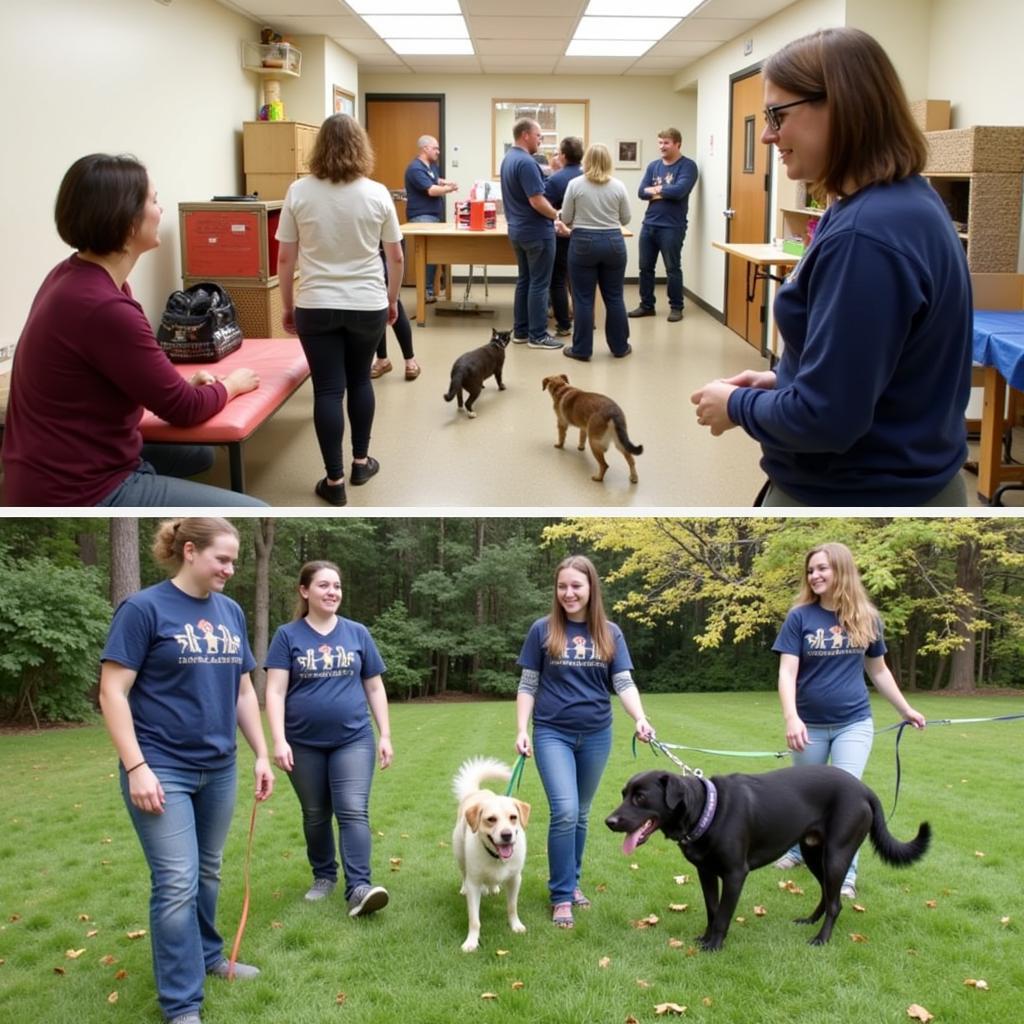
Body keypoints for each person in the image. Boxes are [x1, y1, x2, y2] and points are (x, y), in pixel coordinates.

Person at [690, 28, 972, 507]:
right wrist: (786, 382)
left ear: (840, 106)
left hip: (861, 495)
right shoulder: (905, 202)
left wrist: (737, 405)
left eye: (777, 114)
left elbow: (828, 419)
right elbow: (883, 369)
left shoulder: (867, 236)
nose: (766, 134)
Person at [1, 154, 266, 507]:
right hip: (77, 489)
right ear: (127, 220)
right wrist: (231, 385)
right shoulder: (104, 307)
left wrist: (177, 387)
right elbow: (184, 410)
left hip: (54, 463)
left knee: (200, 455)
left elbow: (123, 375)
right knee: (256, 509)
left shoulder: (72, 275)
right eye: (153, 201)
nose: (160, 211)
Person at [99, 518, 274, 1024]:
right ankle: (181, 1005)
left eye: (236, 560)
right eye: (223, 559)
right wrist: (136, 766)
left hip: (218, 768)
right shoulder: (143, 609)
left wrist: (260, 753)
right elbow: (113, 692)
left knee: (209, 870)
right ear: (190, 551)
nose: (230, 569)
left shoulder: (231, 612)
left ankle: (210, 957)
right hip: (161, 767)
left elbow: (244, 690)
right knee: (176, 880)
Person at [772, 541, 926, 899]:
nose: (815, 575)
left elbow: (879, 670)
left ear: (841, 570)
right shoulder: (800, 617)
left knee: (845, 799)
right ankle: (797, 850)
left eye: (822, 568)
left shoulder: (867, 618)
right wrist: (792, 718)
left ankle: (846, 876)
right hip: (807, 725)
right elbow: (786, 673)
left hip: (853, 722)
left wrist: (906, 709)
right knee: (802, 797)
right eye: (811, 570)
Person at [514, 555, 655, 929]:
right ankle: (561, 896)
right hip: (552, 732)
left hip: (596, 734)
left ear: (591, 588)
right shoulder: (542, 630)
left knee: (580, 812)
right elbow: (528, 684)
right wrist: (521, 729)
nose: (568, 593)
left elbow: (622, 682)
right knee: (563, 809)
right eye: (562, 586)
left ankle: (572, 883)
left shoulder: (610, 633)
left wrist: (639, 717)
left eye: (576, 586)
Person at [277, 113, 403, 507]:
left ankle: (334, 481)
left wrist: (287, 307)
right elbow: (395, 257)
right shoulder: (378, 193)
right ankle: (361, 463)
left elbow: (284, 259)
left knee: (328, 390)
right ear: (361, 147)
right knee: (360, 381)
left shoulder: (298, 191)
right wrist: (392, 299)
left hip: (316, 304)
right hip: (367, 303)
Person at [265, 560, 393, 918]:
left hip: (353, 738)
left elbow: (373, 685)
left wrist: (385, 734)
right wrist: (279, 740)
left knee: (353, 809)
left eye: (336, 586)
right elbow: (274, 692)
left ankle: (359, 887)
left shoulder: (357, 633)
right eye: (323, 585)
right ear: (305, 591)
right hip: (302, 743)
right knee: (316, 813)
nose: (332, 592)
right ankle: (323, 876)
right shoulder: (287, 636)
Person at [559, 144, 632, 361]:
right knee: (615, 296)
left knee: (583, 298)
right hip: (613, 242)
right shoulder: (618, 186)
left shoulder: (575, 184)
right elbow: (625, 219)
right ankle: (620, 347)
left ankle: (581, 350)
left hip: (583, 243)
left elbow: (566, 218)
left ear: (586, 161)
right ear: (609, 162)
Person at [499, 118, 563, 350]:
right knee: (539, 283)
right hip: (536, 232)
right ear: (525, 135)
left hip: (518, 231)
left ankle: (522, 331)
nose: (540, 140)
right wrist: (556, 216)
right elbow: (536, 200)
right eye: (538, 135)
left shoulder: (508, 159)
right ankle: (538, 335)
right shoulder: (526, 162)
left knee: (525, 281)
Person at [628, 127, 698, 322]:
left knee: (672, 268)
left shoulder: (688, 166)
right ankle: (646, 305)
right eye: (660, 142)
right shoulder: (653, 166)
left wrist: (656, 189)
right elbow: (641, 192)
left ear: (677, 144)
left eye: (666, 143)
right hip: (649, 224)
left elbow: (679, 191)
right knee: (645, 268)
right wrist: (664, 190)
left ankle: (676, 307)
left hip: (672, 227)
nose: (662, 146)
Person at [403, 134, 457, 303]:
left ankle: (429, 291)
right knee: (426, 257)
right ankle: (426, 292)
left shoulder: (431, 166)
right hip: (421, 217)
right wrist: (448, 189)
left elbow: (434, 180)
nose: (438, 152)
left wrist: (445, 182)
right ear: (425, 148)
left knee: (433, 256)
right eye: (435, 148)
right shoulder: (415, 168)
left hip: (433, 216)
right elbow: (431, 189)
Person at [543, 136, 584, 338]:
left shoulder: (556, 180)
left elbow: (544, 207)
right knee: (581, 280)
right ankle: (586, 321)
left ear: (564, 156)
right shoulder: (589, 176)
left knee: (557, 280)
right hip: (586, 235)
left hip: (562, 236)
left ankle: (564, 325)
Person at [370, 247, 420, 381]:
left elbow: (397, 257)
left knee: (394, 304)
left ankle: (410, 360)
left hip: (384, 254)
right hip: (368, 258)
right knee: (377, 308)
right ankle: (382, 359)